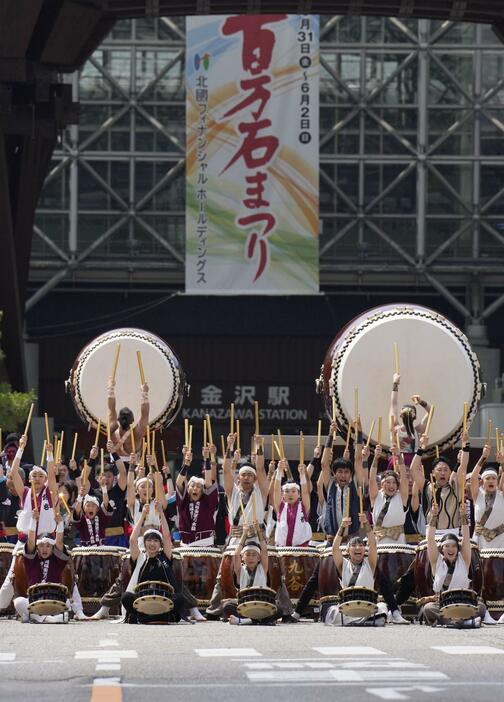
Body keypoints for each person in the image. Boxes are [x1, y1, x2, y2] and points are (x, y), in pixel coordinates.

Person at [421, 504, 485, 628]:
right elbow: (430, 540)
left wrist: (463, 518)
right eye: (447, 546)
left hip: (463, 602)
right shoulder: (436, 562)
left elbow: (466, 538)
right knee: (428, 609)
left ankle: (452, 622)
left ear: (458, 548)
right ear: (442, 549)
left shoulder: (464, 560)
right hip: (443, 604)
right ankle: (462, 623)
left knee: (481, 607)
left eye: (454, 546)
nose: (451, 549)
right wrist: (433, 517)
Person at [121, 501, 184, 624]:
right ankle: (155, 617)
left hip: (164, 599)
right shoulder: (140, 558)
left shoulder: (165, 557)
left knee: (180, 598)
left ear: (160, 544)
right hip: (142, 601)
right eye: (149, 540)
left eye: (155, 541)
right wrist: (143, 516)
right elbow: (133, 540)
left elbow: (166, 536)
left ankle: (148, 618)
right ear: (144, 543)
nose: (152, 543)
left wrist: (160, 512)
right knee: (126, 597)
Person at [325, 511, 387, 627]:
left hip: (367, 607)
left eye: (361, 545)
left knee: (382, 607)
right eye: (353, 545)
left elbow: (373, 544)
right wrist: (342, 527)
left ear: (364, 550)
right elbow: (335, 548)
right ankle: (363, 621)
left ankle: (360, 620)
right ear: (348, 551)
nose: (358, 547)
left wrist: (366, 523)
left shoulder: (370, 563)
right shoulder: (343, 564)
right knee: (332, 611)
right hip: (348, 609)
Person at [14, 507, 70, 623]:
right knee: (18, 601)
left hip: (55, 601)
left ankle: (33, 617)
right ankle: (46, 619)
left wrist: (59, 524)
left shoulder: (57, 560)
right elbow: (30, 541)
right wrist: (33, 521)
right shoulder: (31, 560)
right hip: (35, 602)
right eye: (41, 545)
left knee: (68, 603)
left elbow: (59, 542)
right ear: (37, 547)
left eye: (48, 546)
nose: (45, 549)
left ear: (52, 547)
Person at [417, 432, 470, 535]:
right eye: (439, 470)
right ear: (433, 473)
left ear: (450, 473)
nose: (442, 473)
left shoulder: (455, 487)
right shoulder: (427, 486)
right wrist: (421, 447)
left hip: (451, 534)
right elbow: (413, 469)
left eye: (446, 470)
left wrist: (465, 445)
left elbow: (463, 466)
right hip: (431, 533)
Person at [225, 523, 276, 626]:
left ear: (258, 558)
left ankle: (245, 621)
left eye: (254, 555)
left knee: (279, 609)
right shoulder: (240, 571)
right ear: (243, 558)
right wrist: (244, 534)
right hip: (245, 607)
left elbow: (265, 551)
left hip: (262, 606)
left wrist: (258, 531)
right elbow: (235, 555)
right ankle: (259, 620)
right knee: (227, 606)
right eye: (247, 554)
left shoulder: (262, 568)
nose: (251, 558)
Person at [176, 445, 218, 546]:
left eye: (199, 486)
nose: (195, 488)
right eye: (192, 486)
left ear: (202, 490)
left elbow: (208, 481)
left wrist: (207, 458)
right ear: (188, 489)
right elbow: (179, 482)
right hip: (186, 543)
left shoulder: (207, 502)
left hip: (205, 542)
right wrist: (186, 464)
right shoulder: (183, 502)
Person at [390, 373, 432, 462]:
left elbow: (431, 411)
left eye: (411, 411)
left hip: (412, 463)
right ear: (401, 415)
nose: (408, 412)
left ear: (414, 416)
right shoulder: (395, 428)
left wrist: (421, 402)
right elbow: (394, 404)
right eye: (405, 410)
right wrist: (395, 383)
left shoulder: (418, 430)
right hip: (397, 462)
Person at [107, 376, 150, 458]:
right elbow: (145, 415)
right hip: (132, 466)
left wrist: (110, 389)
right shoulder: (137, 433)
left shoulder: (112, 430)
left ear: (118, 419)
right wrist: (145, 394)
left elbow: (111, 410)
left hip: (114, 466)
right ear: (133, 420)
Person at [273, 459, 312, 547]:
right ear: (283, 494)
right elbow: (276, 490)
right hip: (282, 550)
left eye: (293, 491)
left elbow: (305, 492)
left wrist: (302, 475)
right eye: (286, 491)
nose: (290, 494)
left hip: (302, 549)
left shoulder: (303, 506)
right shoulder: (281, 506)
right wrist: (279, 471)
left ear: (299, 494)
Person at [73, 475, 112, 546]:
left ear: (97, 509)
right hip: (85, 552)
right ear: (84, 509)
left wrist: (104, 488)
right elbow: (77, 511)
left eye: (93, 506)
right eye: (88, 505)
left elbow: (106, 505)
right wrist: (80, 497)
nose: (90, 508)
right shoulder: (82, 520)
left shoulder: (101, 518)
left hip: (101, 552)